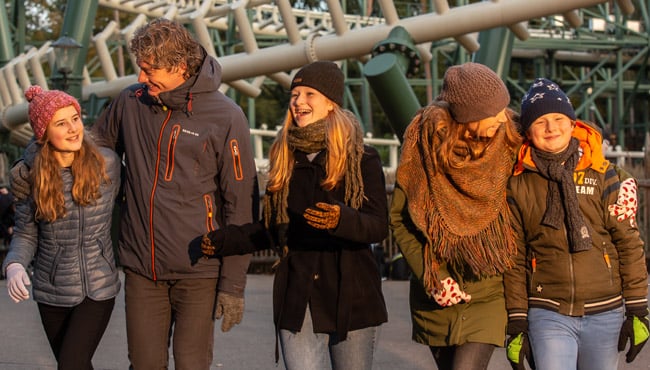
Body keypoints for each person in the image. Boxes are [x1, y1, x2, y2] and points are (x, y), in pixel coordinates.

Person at [8, 19, 259, 369]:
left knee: (191, 363)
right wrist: (29, 162)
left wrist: (233, 285)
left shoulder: (227, 116)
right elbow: (84, 146)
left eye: (149, 69)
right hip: (142, 268)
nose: (141, 78)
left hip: (200, 269)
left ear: (179, 67)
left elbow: (241, 206)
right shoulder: (131, 102)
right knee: (143, 364)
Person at [198, 61, 389, 370]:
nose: (298, 102)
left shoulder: (362, 158)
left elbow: (378, 225)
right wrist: (224, 241)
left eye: (309, 94)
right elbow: (272, 230)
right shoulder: (285, 157)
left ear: (331, 104)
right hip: (299, 296)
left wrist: (342, 219)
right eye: (295, 94)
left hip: (351, 298)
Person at [504, 78, 649, 370]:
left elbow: (629, 242)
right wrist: (517, 320)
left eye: (558, 118)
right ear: (528, 131)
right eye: (540, 121)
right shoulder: (517, 184)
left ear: (572, 123)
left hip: (605, 310)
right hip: (548, 310)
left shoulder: (606, 176)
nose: (551, 128)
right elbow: (514, 257)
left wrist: (637, 308)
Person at [389, 62, 523, 370]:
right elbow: (399, 219)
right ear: (467, 116)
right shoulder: (423, 144)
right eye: (493, 112)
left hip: (490, 289)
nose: (503, 118)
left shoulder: (510, 141)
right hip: (437, 292)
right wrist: (432, 277)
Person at [2, 85, 121, 369]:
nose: (72, 129)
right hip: (51, 290)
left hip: (98, 288)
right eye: (61, 123)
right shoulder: (29, 177)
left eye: (75, 119)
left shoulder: (109, 165)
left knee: (71, 364)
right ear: (44, 134)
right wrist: (14, 264)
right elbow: (25, 233)